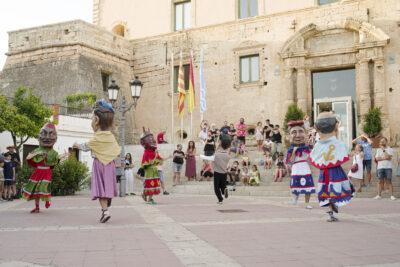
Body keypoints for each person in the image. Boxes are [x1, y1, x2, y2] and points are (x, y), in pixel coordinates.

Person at [74, 100, 120, 222]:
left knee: (100, 189)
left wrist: (76, 145)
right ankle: (106, 205)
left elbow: (85, 146)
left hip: (99, 164)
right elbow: (116, 151)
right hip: (110, 165)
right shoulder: (111, 137)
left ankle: (105, 212)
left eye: (92, 119)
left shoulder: (97, 137)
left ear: (96, 120)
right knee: (107, 188)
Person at [310, 112, 353, 222]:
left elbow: (314, 157)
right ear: (335, 126)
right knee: (335, 189)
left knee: (326, 190)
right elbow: (345, 154)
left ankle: (331, 211)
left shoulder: (318, 145)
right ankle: (333, 208)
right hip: (336, 171)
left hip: (324, 172)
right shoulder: (339, 143)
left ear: (317, 128)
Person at [23, 123, 60, 211]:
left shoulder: (54, 153)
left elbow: (53, 164)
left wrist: (59, 158)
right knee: (36, 190)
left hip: (47, 172)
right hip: (37, 172)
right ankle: (37, 207)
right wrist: (33, 155)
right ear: (38, 137)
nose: (47, 137)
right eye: (43, 133)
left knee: (43, 187)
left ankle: (48, 200)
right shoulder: (36, 150)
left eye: (51, 134)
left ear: (56, 138)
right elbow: (29, 159)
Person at [285, 120, 315, 209]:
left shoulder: (307, 148)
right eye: (294, 132)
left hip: (305, 167)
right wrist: (294, 151)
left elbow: (312, 157)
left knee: (308, 186)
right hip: (296, 168)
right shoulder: (290, 149)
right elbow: (290, 161)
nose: (298, 135)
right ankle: (294, 200)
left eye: (301, 131)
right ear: (289, 136)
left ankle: (307, 203)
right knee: (295, 185)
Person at [140, 128, 161, 204]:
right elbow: (145, 163)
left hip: (154, 170)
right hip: (149, 171)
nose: (152, 140)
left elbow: (159, 160)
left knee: (154, 184)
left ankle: (149, 198)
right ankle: (147, 198)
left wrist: (160, 157)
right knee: (150, 184)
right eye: (149, 139)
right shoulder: (146, 152)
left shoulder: (154, 151)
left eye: (152, 138)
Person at [213, 134, 231, 204]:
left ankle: (220, 199)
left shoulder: (216, 154)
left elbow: (213, 158)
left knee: (216, 187)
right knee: (222, 186)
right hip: (224, 172)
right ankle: (224, 190)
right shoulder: (227, 155)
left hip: (217, 172)